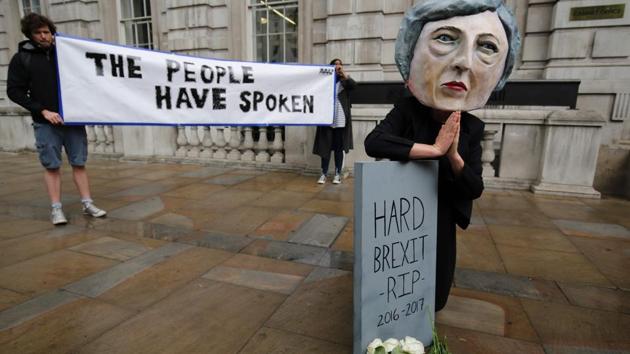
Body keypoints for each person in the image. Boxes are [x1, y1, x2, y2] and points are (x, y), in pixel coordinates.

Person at [364, 0, 520, 311]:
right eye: (445, 38)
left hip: (441, 217)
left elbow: (474, 187)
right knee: (395, 282)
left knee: (434, 290)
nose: (463, 62)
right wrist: (433, 150)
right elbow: (375, 142)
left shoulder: (472, 128)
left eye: (487, 47)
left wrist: (453, 158)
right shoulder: (407, 111)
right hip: (402, 214)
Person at [7, 13, 107, 225]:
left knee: (79, 163)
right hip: (45, 122)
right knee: (52, 165)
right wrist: (42, 110)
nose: (44, 36)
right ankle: (56, 208)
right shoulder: (21, 59)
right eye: (38, 33)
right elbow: (14, 91)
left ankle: (87, 203)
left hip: (73, 120)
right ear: (30, 35)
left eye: (47, 32)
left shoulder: (67, 53)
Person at [313, 58, 356, 184]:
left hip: (341, 119)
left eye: (339, 64)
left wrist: (343, 74)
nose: (338, 66)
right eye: (335, 65)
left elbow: (354, 86)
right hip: (327, 119)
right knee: (325, 148)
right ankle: (324, 173)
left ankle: (337, 173)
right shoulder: (325, 81)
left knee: (339, 148)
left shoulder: (345, 81)